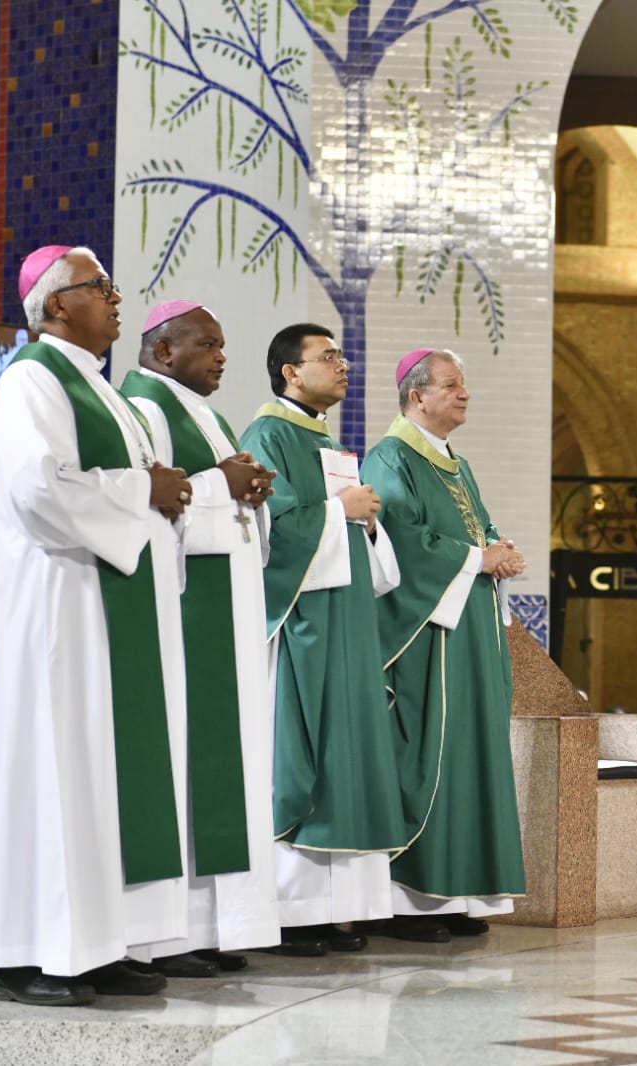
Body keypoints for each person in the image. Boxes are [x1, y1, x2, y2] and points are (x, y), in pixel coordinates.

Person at [0, 245, 189, 1005]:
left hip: (106, 605)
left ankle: (96, 944)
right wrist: (146, 487)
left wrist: (153, 490)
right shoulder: (33, 379)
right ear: (57, 305)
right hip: (58, 607)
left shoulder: (101, 391)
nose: (114, 297)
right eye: (99, 288)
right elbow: (41, 487)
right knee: (57, 770)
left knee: (100, 774)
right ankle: (27, 952)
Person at [120, 300, 282, 975]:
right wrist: (225, 484)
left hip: (227, 609)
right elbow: (157, 502)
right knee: (187, 764)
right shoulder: (146, 407)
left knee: (219, 765)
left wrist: (249, 493)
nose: (221, 357)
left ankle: (208, 926)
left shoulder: (205, 413)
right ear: (163, 351)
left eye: (222, 345)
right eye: (208, 345)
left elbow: (212, 494)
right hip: (185, 613)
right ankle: (167, 934)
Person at [239, 322, 410, 955]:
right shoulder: (269, 434)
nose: (343, 366)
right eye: (327, 356)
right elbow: (267, 526)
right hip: (303, 622)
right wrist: (342, 513)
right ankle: (288, 912)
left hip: (344, 619)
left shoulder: (325, 439)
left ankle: (339, 907)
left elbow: (348, 521)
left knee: (349, 755)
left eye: (340, 355)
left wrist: (362, 522)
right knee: (302, 753)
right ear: (289, 371)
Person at [361, 348, 528, 942]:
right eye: (452, 386)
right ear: (417, 396)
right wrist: (477, 558)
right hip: (426, 634)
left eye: (465, 385)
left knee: (470, 756)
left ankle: (458, 894)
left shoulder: (455, 462)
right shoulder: (391, 457)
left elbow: (473, 529)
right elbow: (400, 539)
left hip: (469, 629)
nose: (465, 394)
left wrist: (497, 551)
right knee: (428, 754)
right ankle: (410, 900)